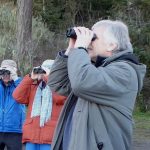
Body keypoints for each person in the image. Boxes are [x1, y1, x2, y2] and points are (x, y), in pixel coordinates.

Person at [48, 20, 146, 150]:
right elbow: (57, 83)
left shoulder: (125, 72)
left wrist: (80, 49)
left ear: (111, 45)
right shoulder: (95, 70)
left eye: (93, 37)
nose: (88, 41)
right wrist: (71, 51)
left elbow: (81, 83)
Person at [13, 59, 67, 150]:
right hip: (32, 134)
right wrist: (30, 77)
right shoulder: (34, 86)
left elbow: (60, 99)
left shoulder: (60, 86)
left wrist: (49, 79)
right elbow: (17, 96)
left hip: (50, 136)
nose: (42, 73)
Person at [0, 59, 26, 150]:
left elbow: (24, 94)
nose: (5, 75)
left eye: (8, 72)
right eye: (3, 72)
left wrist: (15, 78)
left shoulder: (21, 84)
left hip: (15, 131)